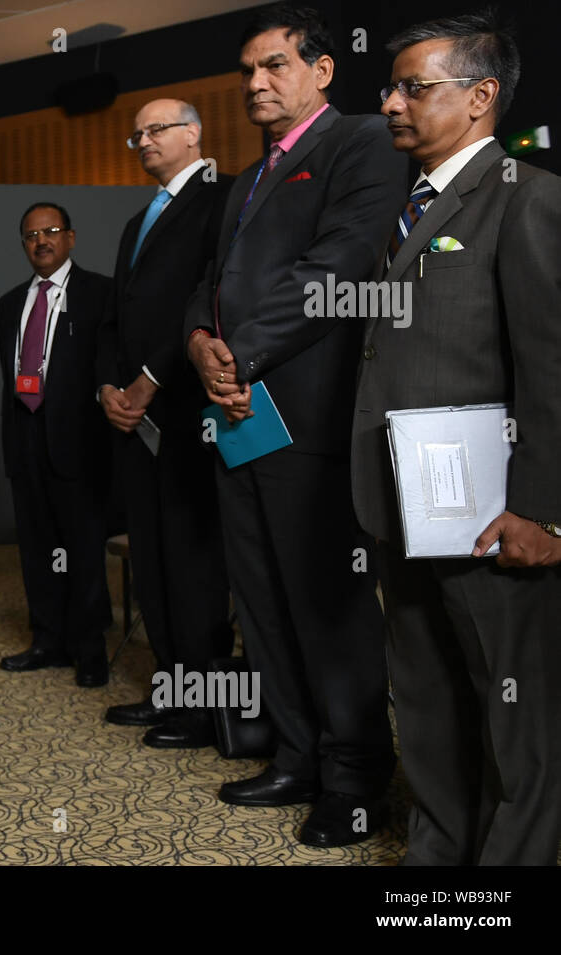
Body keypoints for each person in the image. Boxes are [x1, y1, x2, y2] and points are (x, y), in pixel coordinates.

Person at [183, 4, 408, 846]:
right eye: (247, 71)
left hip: (308, 414)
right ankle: (297, 755)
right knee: (265, 600)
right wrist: (201, 343)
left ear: (322, 70)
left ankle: (354, 777)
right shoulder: (245, 178)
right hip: (236, 418)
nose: (255, 84)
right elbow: (208, 281)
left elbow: (340, 266)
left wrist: (236, 354)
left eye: (273, 65)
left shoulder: (359, 143)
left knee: (326, 603)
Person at [353, 10, 561, 865]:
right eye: (391, 86)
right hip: (407, 510)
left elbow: (550, 366)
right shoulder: (407, 209)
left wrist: (542, 511)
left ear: (481, 97)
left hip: (494, 519)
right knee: (429, 702)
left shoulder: (530, 200)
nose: (393, 102)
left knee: (516, 723)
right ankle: (437, 862)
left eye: (414, 87)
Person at [97, 99, 234, 745]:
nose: (144, 140)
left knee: (193, 564)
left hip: (187, 415)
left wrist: (149, 379)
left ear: (193, 132)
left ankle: (205, 709)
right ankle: (171, 690)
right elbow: (118, 318)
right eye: (138, 134)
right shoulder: (137, 220)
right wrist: (108, 387)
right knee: (152, 563)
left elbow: (206, 298)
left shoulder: (224, 199)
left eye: (156, 130)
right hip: (135, 426)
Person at [0, 203, 113, 688]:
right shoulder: (8, 303)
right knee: (38, 547)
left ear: (70, 237)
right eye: (30, 235)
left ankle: (89, 650)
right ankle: (47, 640)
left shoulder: (100, 293)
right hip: (25, 437)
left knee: (82, 550)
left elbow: (106, 366)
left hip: (78, 441)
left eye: (50, 231)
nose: (40, 241)